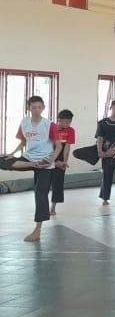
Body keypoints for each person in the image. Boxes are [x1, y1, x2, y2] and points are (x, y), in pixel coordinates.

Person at [1, 97, 60, 242]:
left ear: (43, 108)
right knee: (2, 160)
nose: (37, 110)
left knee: (40, 193)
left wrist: (51, 160)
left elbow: (58, 146)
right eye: (34, 107)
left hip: (45, 161)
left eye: (39, 107)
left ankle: (37, 230)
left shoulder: (49, 125)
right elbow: (23, 142)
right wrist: (12, 154)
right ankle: (33, 164)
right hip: (29, 159)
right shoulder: (24, 122)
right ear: (29, 108)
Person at [48, 109, 75, 216]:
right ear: (59, 120)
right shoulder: (50, 129)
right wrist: (54, 161)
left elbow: (67, 147)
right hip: (48, 154)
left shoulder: (70, 130)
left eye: (70, 122)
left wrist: (64, 162)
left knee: (58, 184)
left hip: (61, 156)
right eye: (66, 122)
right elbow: (47, 147)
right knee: (45, 183)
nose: (68, 124)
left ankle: (53, 207)